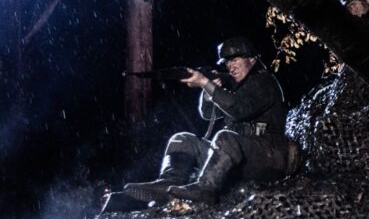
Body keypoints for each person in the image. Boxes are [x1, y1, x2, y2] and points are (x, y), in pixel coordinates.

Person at [110, 37, 292, 209]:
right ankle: (168, 184)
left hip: (267, 157)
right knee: (182, 139)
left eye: (235, 60)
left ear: (252, 60)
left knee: (224, 137)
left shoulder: (265, 82)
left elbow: (238, 109)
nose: (231, 66)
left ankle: (205, 190)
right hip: (236, 158)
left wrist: (205, 83)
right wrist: (208, 89)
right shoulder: (235, 87)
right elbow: (206, 113)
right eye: (227, 62)